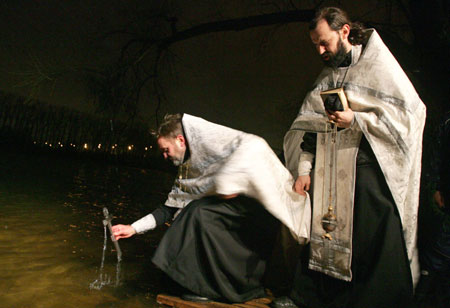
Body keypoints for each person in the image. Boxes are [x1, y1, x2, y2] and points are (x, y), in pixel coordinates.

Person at [276, 7, 426, 308]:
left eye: (324, 42)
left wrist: (355, 119)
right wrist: (304, 170)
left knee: (374, 212)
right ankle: (308, 297)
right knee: (320, 220)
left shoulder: (379, 68)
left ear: (344, 31)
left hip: (368, 167)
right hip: (329, 169)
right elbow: (309, 128)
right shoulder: (326, 77)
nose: (320, 50)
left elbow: (410, 116)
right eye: (315, 45)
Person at [112, 113, 311, 303]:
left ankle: (215, 288)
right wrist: (133, 228)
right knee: (193, 211)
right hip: (233, 221)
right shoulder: (189, 169)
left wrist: (227, 181)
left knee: (199, 212)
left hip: (259, 220)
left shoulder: (229, 145)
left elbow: (255, 145)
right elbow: (169, 208)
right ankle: (187, 281)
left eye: (166, 150)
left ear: (181, 140)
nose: (164, 156)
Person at [415, 111, 450, 307]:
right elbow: (434, 156)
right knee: (436, 258)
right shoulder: (447, 122)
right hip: (445, 203)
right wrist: (435, 187)